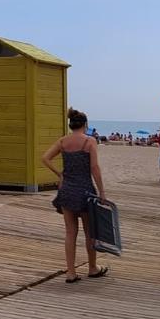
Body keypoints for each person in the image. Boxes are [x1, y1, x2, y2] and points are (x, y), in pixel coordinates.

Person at [41, 108, 109, 282]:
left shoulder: (63, 141)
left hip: (67, 190)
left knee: (70, 232)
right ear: (85, 125)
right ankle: (92, 268)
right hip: (85, 190)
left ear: (71, 125)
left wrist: (60, 174)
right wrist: (101, 190)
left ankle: (71, 272)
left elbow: (45, 158)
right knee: (89, 232)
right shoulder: (89, 141)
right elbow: (94, 168)